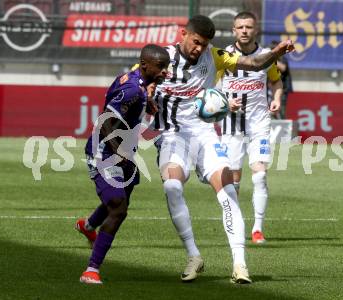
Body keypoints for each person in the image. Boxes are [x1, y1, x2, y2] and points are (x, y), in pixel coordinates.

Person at [151, 15, 293, 283]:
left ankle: (240, 265)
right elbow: (136, 78)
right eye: (195, 43)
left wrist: (274, 53)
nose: (199, 49)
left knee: (228, 190)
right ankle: (194, 255)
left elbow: (251, 64)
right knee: (172, 187)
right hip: (172, 136)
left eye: (204, 45)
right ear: (183, 34)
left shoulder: (214, 56)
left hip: (205, 134)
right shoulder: (161, 57)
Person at [75, 44, 170, 285]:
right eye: (161, 67)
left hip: (122, 151)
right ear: (146, 65)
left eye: (166, 67)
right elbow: (105, 121)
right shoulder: (131, 89)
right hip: (104, 153)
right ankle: (91, 270)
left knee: (121, 197)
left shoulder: (136, 80)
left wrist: (146, 102)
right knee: (119, 208)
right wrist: (119, 153)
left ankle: (88, 226)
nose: (164, 72)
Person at [220, 12, 283, 245]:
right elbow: (210, 87)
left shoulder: (266, 56)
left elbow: (276, 80)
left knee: (260, 175)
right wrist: (224, 102)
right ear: (233, 30)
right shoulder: (224, 56)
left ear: (255, 29)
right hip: (231, 122)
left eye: (248, 26)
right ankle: (237, 224)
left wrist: (276, 97)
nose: (244, 30)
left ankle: (257, 228)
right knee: (234, 177)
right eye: (240, 27)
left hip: (259, 121)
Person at [269, 40, 293, 119]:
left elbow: (283, 68)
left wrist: (271, 59)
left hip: (283, 89)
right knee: (270, 110)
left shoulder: (282, 58)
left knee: (280, 109)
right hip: (270, 89)